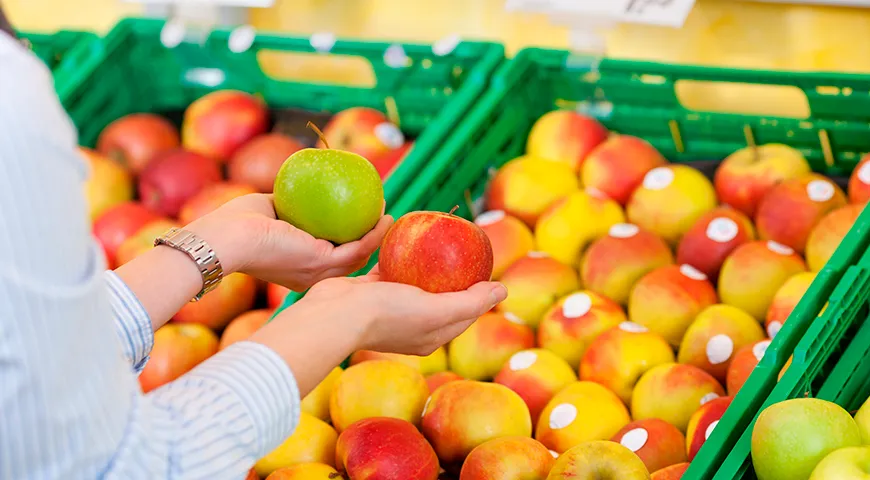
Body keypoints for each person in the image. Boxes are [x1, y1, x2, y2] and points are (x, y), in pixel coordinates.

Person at [0, 10, 507, 479]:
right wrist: (342, 317)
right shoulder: (15, 108)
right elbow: (121, 466)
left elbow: (37, 346)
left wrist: (220, 241)